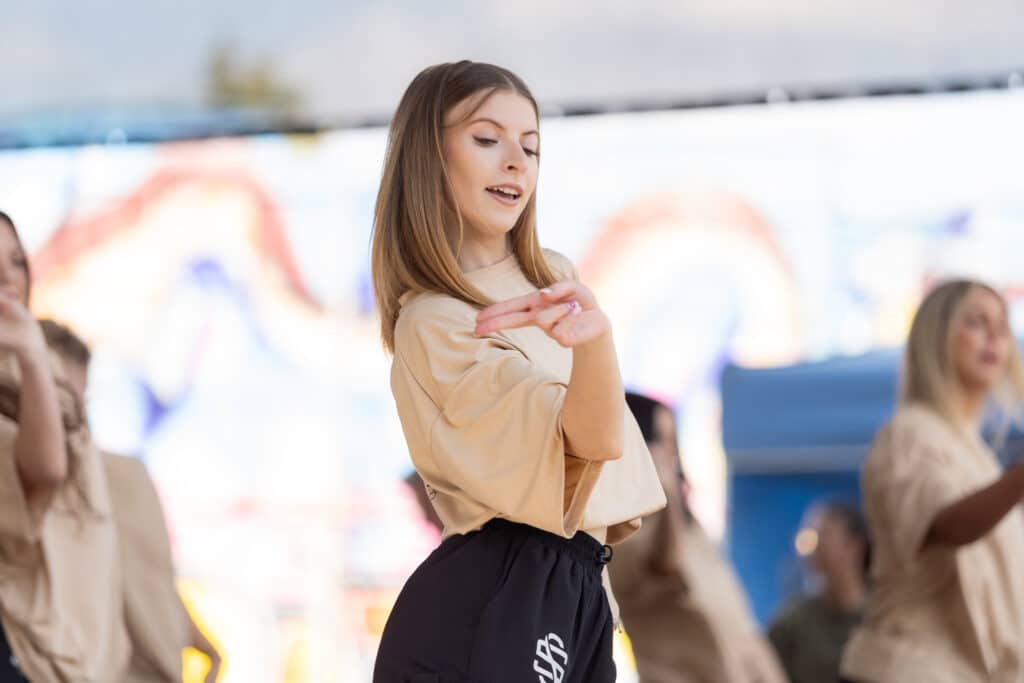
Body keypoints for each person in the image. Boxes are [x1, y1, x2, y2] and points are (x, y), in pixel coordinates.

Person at [369, 61, 665, 682]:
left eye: (530, 147)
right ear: (428, 156)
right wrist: (595, 344)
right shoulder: (434, 321)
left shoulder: (554, 277)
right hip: (504, 590)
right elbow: (586, 445)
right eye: (487, 139)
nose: (515, 162)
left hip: (576, 587)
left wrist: (594, 339)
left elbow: (597, 451)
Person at [840, 279, 1024, 682]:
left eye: (1002, 325)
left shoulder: (975, 452)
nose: (995, 337)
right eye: (976, 322)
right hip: (909, 667)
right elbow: (948, 524)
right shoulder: (908, 433)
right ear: (935, 337)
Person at [37, 318, 224, 683]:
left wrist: (207, 653)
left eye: (77, 401)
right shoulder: (107, 476)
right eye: (54, 398)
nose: (70, 416)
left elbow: (153, 582)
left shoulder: (118, 477)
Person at [0, 211, 129, 681]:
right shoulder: (36, 370)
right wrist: (32, 355)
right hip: (24, 641)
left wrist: (33, 357)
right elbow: (45, 473)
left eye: (17, 261)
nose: (9, 278)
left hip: (71, 647)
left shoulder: (49, 381)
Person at [609, 392, 787, 683]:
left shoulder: (687, 520)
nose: (670, 453)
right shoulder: (618, 524)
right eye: (659, 440)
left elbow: (735, 616)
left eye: (672, 440)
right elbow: (668, 567)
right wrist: (667, 495)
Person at [768, 500, 867, 683]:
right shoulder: (791, 624)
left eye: (824, 536)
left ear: (854, 545)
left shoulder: (884, 619)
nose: (814, 548)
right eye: (809, 538)